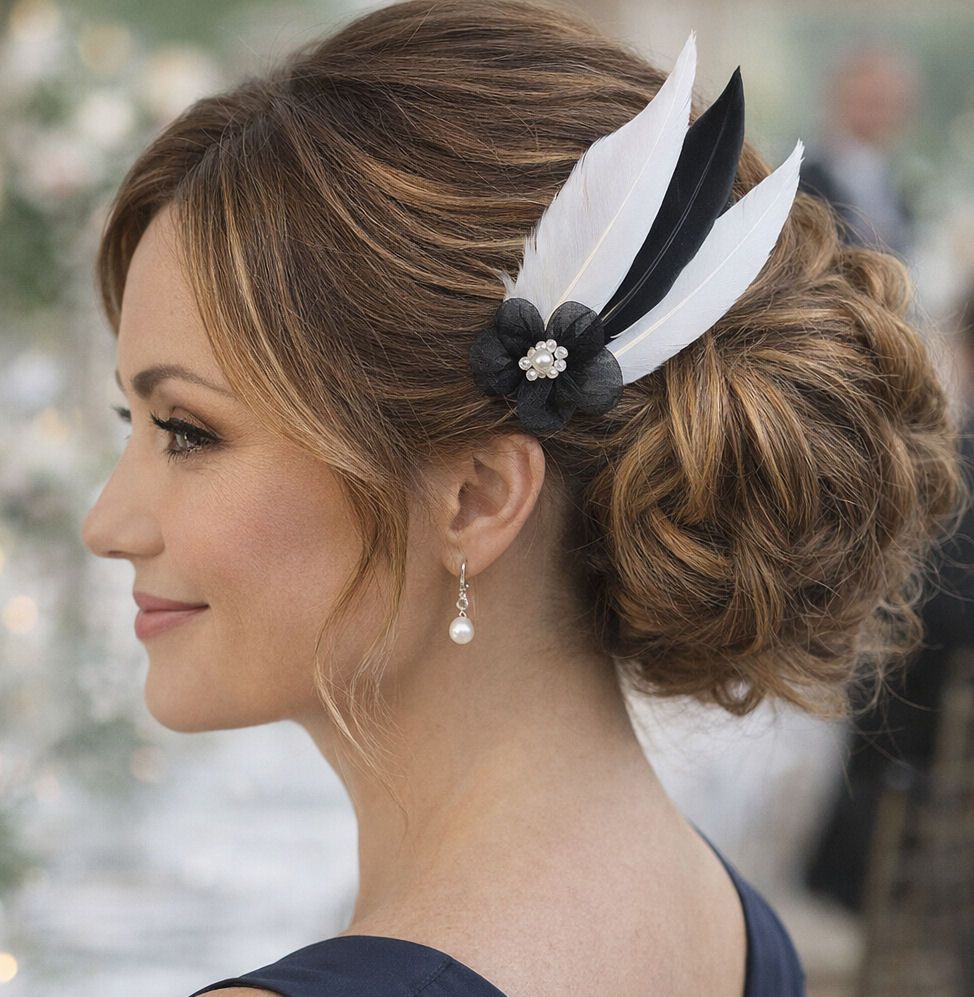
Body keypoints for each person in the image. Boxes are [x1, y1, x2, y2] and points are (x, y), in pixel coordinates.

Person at [79, 1, 966, 994]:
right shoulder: (728, 923)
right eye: (134, 426)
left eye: (186, 432)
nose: (106, 525)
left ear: (476, 497)